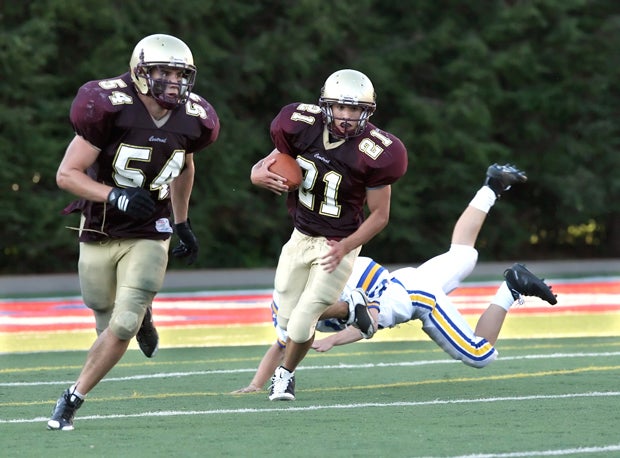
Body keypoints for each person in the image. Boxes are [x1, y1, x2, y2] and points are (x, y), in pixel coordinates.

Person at [234, 163, 556, 393]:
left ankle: (510, 288)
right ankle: (492, 186)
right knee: (463, 255)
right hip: (407, 283)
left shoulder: (347, 274)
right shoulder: (289, 300)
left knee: (480, 355)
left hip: (417, 297)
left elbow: (368, 322)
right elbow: (281, 344)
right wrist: (255, 384)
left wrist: (333, 339)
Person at [47, 34, 220, 431]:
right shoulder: (106, 105)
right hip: (100, 226)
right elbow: (66, 174)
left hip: (150, 230)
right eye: (164, 72)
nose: (173, 82)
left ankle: (72, 398)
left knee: (121, 324)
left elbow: (185, 167)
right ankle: (144, 316)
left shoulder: (195, 118)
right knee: (104, 317)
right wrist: (116, 197)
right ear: (140, 72)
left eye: (180, 74)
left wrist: (181, 223)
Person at [250, 69, 408, 400]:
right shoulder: (298, 125)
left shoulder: (376, 150)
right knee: (286, 317)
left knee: (302, 320)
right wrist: (256, 175)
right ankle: (351, 307)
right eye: (341, 107)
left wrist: (347, 247)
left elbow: (380, 215)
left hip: (339, 240)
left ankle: (286, 375)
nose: (348, 116)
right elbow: (270, 163)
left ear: (368, 112)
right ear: (326, 105)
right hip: (300, 234)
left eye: (356, 110)